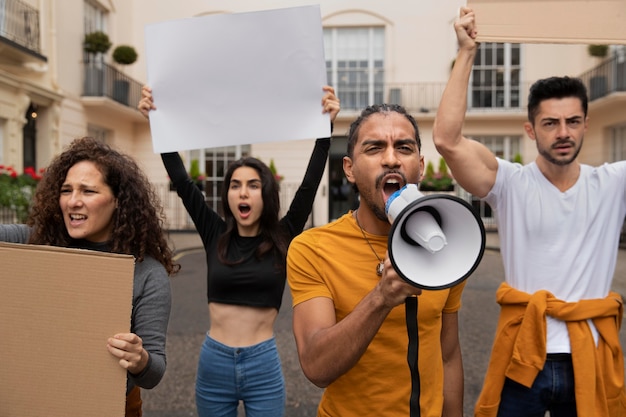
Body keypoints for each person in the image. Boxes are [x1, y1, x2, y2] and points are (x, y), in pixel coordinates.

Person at [433, 8, 626, 417]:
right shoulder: (509, 183)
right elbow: (447, 140)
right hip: (524, 351)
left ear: (587, 125)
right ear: (530, 129)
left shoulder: (612, 182)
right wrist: (466, 51)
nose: (563, 133)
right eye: (551, 122)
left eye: (573, 121)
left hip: (587, 352)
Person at [138, 85, 340, 417]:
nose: (242, 193)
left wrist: (325, 129)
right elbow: (183, 181)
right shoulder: (213, 230)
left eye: (253, 185)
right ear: (228, 195)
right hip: (214, 363)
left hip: (263, 364)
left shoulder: (283, 235)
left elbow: (309, 183)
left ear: (266, 194)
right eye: (235, 185)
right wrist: (157, 121)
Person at [286, 103, 466, 417]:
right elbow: (315, 366)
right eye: (374, 148)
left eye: (404, 147)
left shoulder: (450, 246)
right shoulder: (313, 249)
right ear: (349, 168)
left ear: (420, 166)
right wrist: (381, 298)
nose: (392, 158)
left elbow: (448, 355)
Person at [0, 137, 177, 417]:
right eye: (66, 190)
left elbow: (154, 374)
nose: (73, 201)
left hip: (109, 407)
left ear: (118, 201)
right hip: (30, 401)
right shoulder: (34, 240)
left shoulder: (147, 273)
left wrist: (139, 359)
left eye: (88, 191)